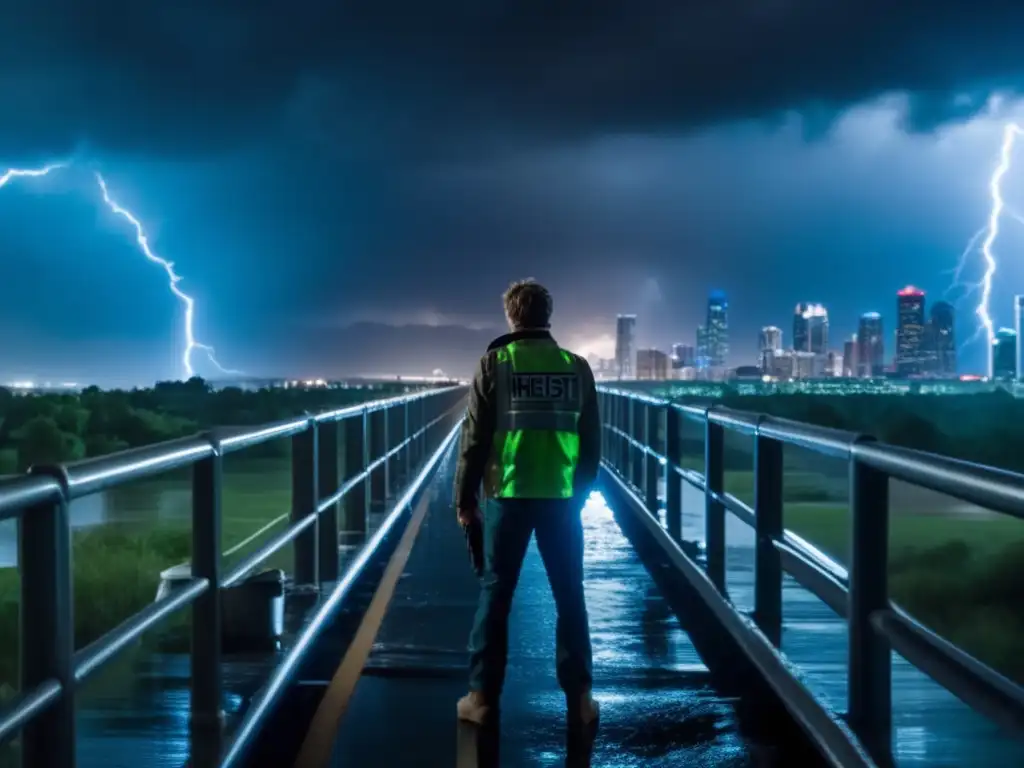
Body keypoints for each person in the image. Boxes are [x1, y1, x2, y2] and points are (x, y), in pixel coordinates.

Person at [453, 278, 601, 726]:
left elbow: (475, 440)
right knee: (569, 594)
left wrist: (464, 499)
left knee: (497, 593)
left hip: (508, 497)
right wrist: (579, 495)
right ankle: (579, 701)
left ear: (511, 316)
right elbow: (592, 442)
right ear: (547, 316)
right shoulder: (575, 367)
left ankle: (481, 699)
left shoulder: (495, 364)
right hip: (560, 497)